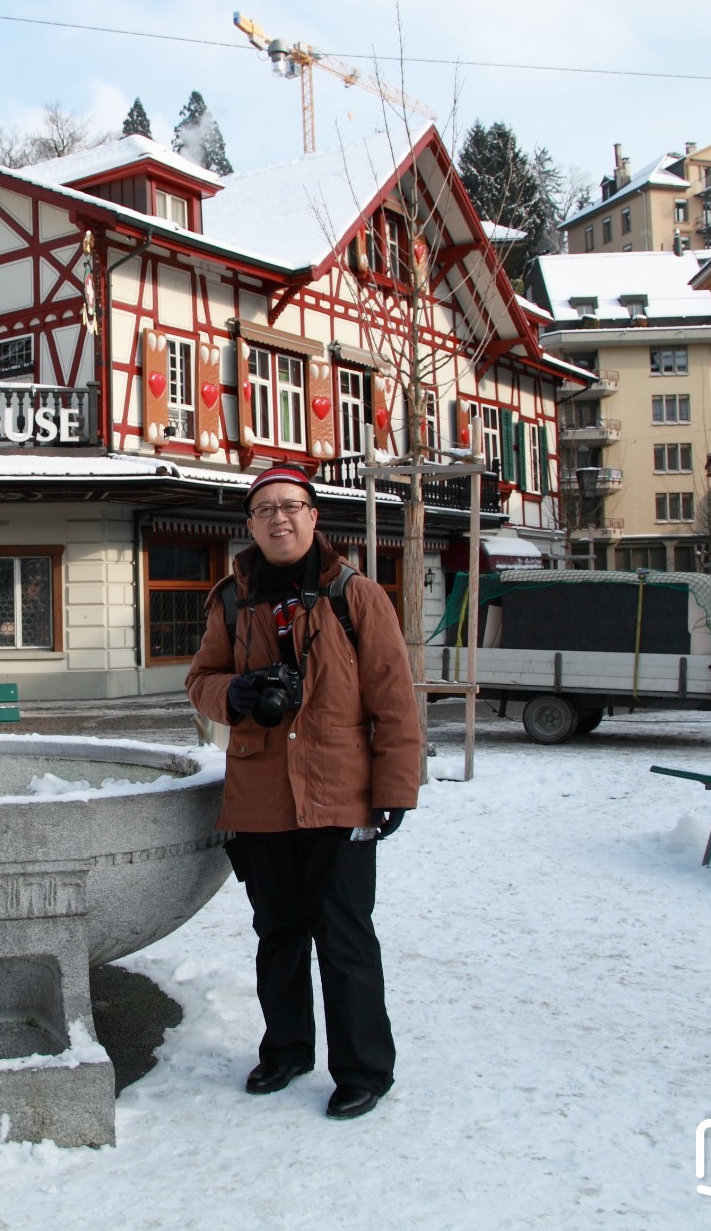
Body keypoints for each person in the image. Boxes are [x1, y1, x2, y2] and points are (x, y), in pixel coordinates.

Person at [185, 465, 423, 1121]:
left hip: (340, 791)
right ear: (251, 525)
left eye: (291, 506)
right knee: (279, 935)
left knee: (344, 936)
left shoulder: (357, 595)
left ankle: (364, 1068)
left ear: (314, 517)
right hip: (260, 796)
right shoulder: (231, 600)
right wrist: (231, 693)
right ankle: (286, 1049)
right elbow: (200, 679)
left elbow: (395, 702)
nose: (279, 518)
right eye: (265, 509)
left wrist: (395, 787)